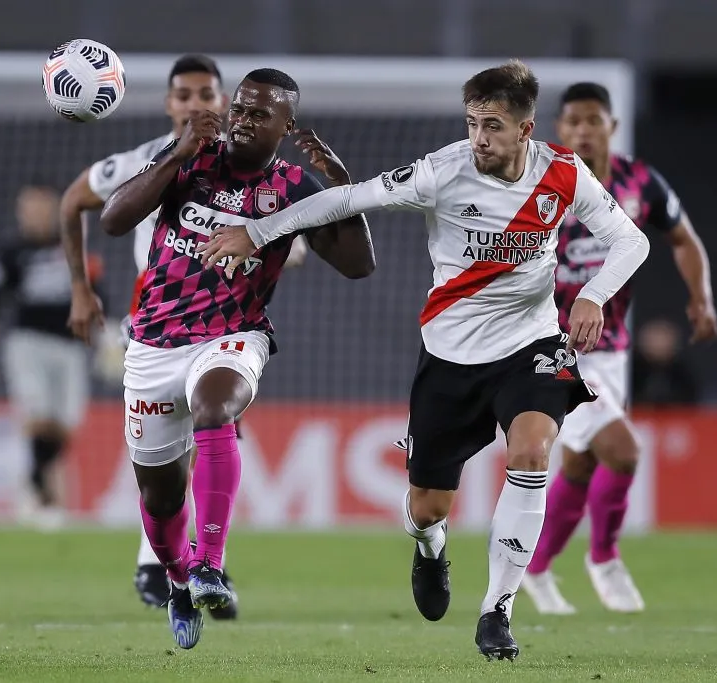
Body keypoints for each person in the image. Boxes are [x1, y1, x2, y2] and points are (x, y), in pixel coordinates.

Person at [197, 60, 649, 660]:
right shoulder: (441, 171)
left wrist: (592, 295)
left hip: (532, 344)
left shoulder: (563, 173)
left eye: (491, 125)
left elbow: (632, 240)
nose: (479, 138)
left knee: (534, 451)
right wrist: (258, 232)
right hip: (451, 356)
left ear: (526, 128)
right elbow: (346, 200)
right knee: (426, 506)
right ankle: (431, 547)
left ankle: (498, 611)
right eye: (471, 123)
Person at [64, 68, 374, 650]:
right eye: (241, 109)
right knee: (158, 500)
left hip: (234, 334)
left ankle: (209, 563)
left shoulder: (294, 186)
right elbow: (111, 219)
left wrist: (343, 193)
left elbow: (359, 266)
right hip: (154, 343)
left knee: (216, 405)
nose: (244, 120)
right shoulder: (190, 158)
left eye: (261, 114)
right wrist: (177, 151)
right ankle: (181, 583)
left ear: (285, 127)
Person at [60, 54, 256, 619]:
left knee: (212, 432)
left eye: (207, 94)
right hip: (154, 327)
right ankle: (169, 561)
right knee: (165, 460)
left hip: (224, 326)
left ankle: (192, 563)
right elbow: (75, 201)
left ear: (223, 101)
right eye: (185, 95)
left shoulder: (248, 168)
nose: (196, 104)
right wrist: (80, 288)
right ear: (170, 104)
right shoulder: (141, 161)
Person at [519, 82, 717, 615]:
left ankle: (535, 570)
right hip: (550, 347)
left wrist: (702, 300)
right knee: (624, 451)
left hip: (613, 349)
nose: (583, 130)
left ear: (612, 125)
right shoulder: (537, 182)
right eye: (573, 121)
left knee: (582, 466)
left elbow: (683, 239)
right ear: (560, 130)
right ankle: (604, 557)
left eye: (593, 120)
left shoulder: (639, 181)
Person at [0, 180, 122, 530]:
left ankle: (34, 484)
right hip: (27, 342)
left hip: (71, 344)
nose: (33, 214)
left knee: (65, 423)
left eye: (40, 206)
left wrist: (108, 340)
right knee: (39, 415)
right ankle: (39, 493)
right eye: (27, 207)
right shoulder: (11, 250)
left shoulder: (73, 244)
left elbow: (96, 294)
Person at [631, 318, 702, 407]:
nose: (658, 343)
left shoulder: (682, 374)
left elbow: (689, 404)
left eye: (663, 338)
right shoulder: (631, 373)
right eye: (654, 337)